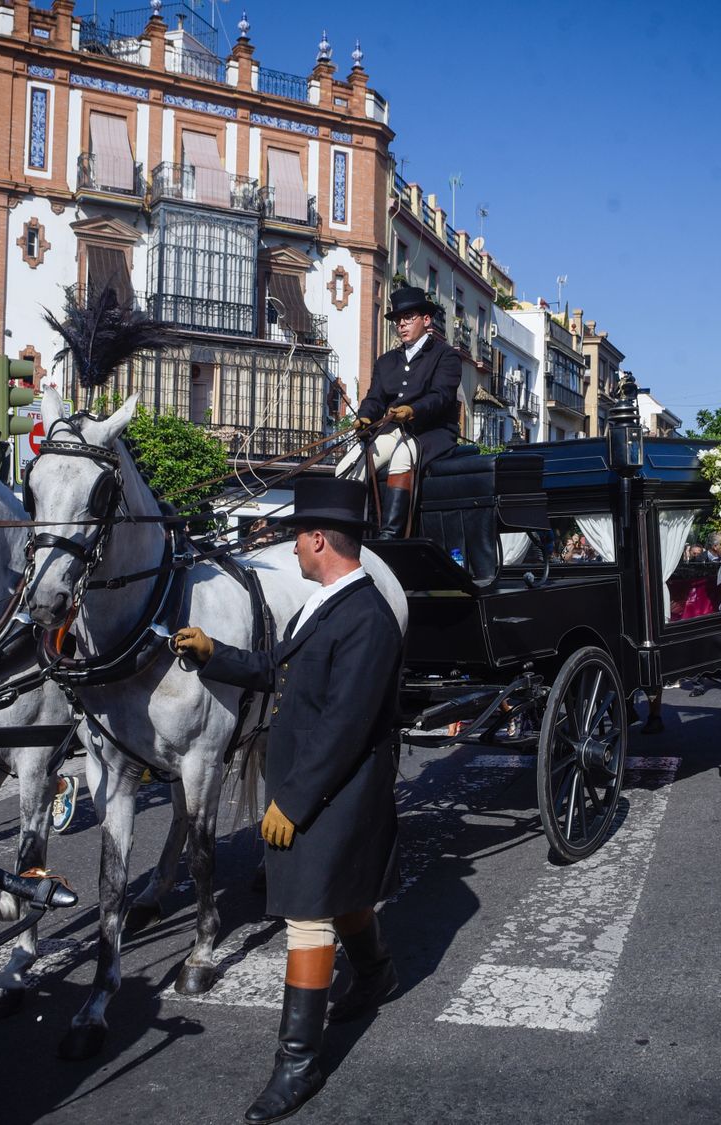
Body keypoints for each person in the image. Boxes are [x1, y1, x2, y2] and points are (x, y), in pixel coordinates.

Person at [171, 477, 402, 1123]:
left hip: (336, 789)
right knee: (342, 893)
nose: (291, 546)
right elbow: (280, 671)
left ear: (319, 539)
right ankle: (377, 972)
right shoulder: (323, 604)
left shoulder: (367, 618)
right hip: (319, 783)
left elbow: (345, 725)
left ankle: (298, 1062)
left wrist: (293, 802)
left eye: (297, 535)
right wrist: (215, 654)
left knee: (309, 913)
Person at [336, 285, 461, 538]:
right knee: (348, 466)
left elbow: (441, 397)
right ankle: (347, 532)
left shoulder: (446, 356)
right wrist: (365, 417)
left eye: (408, 318)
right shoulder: (386, 361)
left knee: (403, 456)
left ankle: (391, 533)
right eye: (397, 320)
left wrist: (412, 411)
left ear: (426, 320)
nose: (401, 324)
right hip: (392, 430)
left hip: (432, 432)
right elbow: (375, 398)